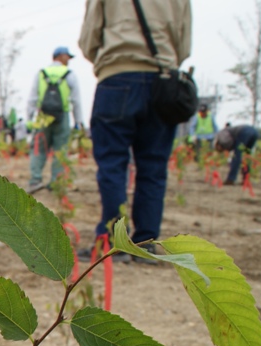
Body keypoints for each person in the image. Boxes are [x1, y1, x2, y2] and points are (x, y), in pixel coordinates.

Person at [79, 0, 191, 263]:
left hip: (118, 77)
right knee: (154, 168)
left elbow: (89, 39)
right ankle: (146, 245)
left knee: (112, 165)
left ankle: (113, 243)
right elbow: (184, 44)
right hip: (163, 81)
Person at [26, 46, 84, 191]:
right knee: (60, 149)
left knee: (38, 148)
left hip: (42, 116)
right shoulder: (69, 74)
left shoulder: (41, 74)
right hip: (61, 116)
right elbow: (76, 100)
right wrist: (78, 121)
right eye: (67, 57)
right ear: (60, 56)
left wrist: (29, 118)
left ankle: (35, 180)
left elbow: (32, 98)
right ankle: (56, 182)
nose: (68, 61)